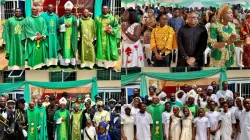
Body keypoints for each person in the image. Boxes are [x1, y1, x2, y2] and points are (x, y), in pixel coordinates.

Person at [58, 1, 78, 66]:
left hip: (72, 38)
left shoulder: (74, 18)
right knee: (64, 49)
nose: (67, 11)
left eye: (68, 10)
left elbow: (78, 25)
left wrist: (77, 19)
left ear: (70, 11)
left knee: (72, 49)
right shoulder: (61, 19)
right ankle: (64, 64)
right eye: (66, 10)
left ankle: (72, 63)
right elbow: (57, 27)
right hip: (64, 38)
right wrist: (64, 25)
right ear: (64, 10)